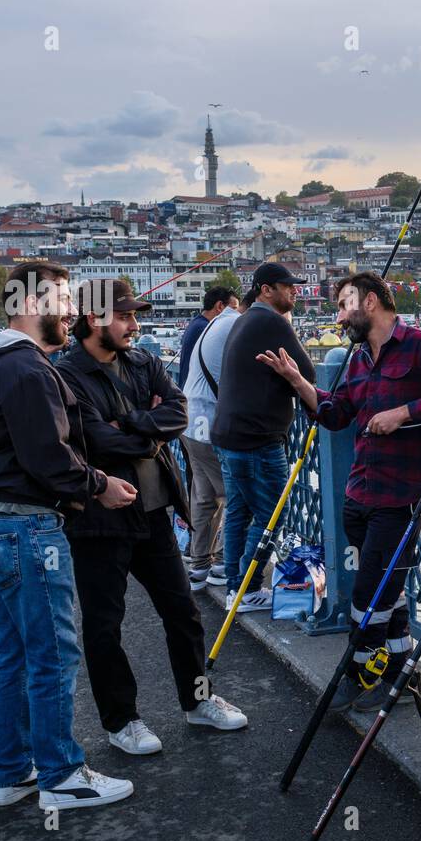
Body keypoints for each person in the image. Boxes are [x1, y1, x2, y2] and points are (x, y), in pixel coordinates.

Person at [0, 261, 137, 810]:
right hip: (24, 526)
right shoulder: (28, 370)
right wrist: (99, 483)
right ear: (32, 304)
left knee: (11, 652)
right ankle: (61, 776)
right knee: (53, 653)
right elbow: (46, 456)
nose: (73, 311)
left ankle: (11, 773)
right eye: (63, 299)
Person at [257, 271, 421, 712]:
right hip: (359, 494)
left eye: (343, 305)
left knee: (370, 593)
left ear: (370, 301)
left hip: (401, 493)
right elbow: (336, 415)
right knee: (389, 590)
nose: (339, 316)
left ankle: (355, 673)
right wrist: (299, 383)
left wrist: (403, 413)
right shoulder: (356, 360)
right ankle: (398, 672)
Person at [57, 279, 246, 755]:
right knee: (105, 624)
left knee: (182, 611)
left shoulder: (142, 360)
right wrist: (146, 429)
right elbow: (91, 440)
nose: (134, 325)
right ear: (93, 320)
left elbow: (179, 411)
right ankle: (122, 721)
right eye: (124, 316)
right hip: (100, 515)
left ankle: (197, 700)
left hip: (154, 507)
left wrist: (134, 426)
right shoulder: (67, 374)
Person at [210, 263, 315, 613]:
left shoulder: (243, 319)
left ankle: (234, 588)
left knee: (239, 511)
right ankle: (249, 588)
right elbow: (308, 374)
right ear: (266, 290)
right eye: (288, 286)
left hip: (228, 435)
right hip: (257, 439)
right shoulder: (271, 321)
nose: (295, 291)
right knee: (272, 516)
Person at [179, 288, 242, 592]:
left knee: (204, 498)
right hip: (206, 423)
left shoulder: (196, 328)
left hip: (190, 422)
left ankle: (199, 565)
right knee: (233, 495)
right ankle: (222, 564)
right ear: (222, 307)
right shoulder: (218, 325)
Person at [178, 287, 237, 389]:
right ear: (219, 306)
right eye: (234, 309)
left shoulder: (196, 323)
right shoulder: (206, 329)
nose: (238, 315)